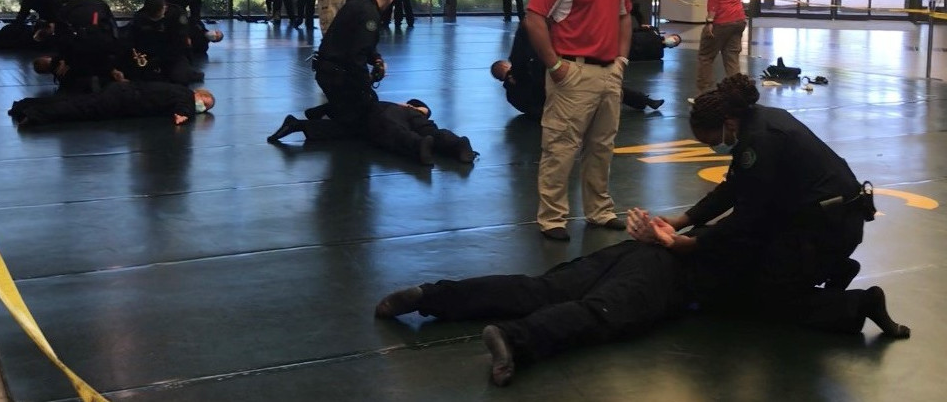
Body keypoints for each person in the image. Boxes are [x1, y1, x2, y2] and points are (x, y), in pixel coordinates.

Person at [375, 224, 910, 388]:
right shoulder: (765, 263)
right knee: (603, 312)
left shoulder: (749, 225)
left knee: (540, 288)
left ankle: (433, 296)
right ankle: (515, 340)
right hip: (664, 272)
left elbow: (791, 303)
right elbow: (787, 302)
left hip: (636, 253)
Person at [643, 73, 876, 295]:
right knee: (742, 247)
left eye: (712, 142)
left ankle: (844, 285)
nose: (713, 147)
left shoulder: (761, 141)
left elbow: (749, 215)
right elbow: (733, 187)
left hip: (831, 227)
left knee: (757, 288)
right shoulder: (755, 122)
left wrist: (696, 243)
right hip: (827, 216)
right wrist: (682, 221)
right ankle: (829, 266)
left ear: (728, 124)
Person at [523, 0, 632, 240]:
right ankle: (552, 218)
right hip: (572, 73)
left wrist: (621, 61)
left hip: (609, 72)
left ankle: (599, 210)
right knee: (560, 147)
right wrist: (555, 66)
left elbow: (624, 16)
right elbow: (534, 17)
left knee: (602, 146)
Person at [268, 0, 398, 143]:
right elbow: (357, 56)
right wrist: (366, 83)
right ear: (392, 0)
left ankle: (325, 110)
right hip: (338, 77)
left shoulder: (354, 6)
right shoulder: (371, 16)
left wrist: (377, 59)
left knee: (366, 103)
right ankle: (298, 125)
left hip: (325, 70)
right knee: (359, 124)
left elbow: (359, 43)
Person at [491, 26, 663, 118]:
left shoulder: (512, 94)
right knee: (605, 87)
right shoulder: (521, 73)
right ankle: (644, 101)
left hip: (557, 105)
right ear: (505, 65)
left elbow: (529, 110)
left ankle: (643, 101)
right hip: (562, 91)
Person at [270, 98, 477, 166]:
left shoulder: (364, 108)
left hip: (383, 112)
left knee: (394, 131)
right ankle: (456, 143)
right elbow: (424, 110)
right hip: (414, 113)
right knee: (431, 131)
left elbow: (316, 113)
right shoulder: (414, 108)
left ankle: (417, 145)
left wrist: (307, 121)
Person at [8, 82, 214, 127]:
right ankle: (33, 115)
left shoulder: (177, 88)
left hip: (123, 92)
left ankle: (24, 105)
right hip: (123, 101)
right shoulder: (186, 96)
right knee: (78, 109)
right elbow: (184, 105)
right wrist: (184, 114)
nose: (201, 107)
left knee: (76, 101)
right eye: (203, 102)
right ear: (198, 94)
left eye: (205, 108)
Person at [696, 0, 746, 96]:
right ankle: (737, 94)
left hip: (722, 20)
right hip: (738, 18)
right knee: (731, 58)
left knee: (705, 56)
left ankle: (705, 95)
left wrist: (710, 20)